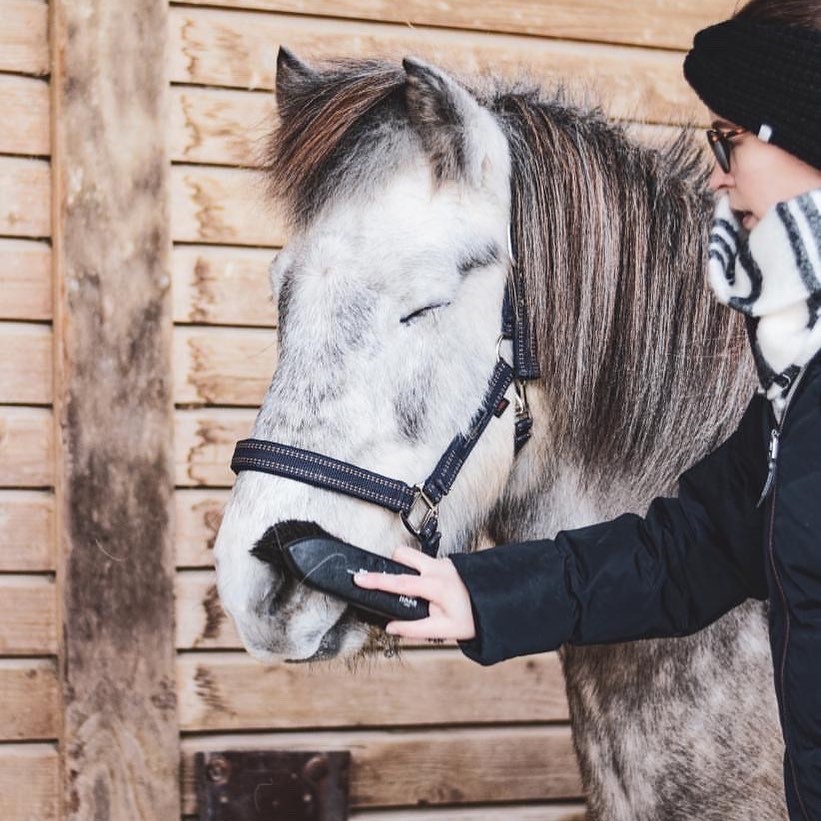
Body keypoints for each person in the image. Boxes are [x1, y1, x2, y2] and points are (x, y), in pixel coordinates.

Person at [354, 0, 821, 817]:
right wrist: (478, 594)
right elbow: (694, 548)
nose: (715, 172)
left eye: (731, 139)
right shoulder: (796, 377)